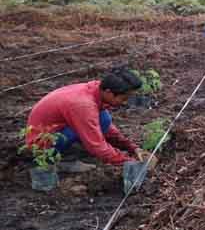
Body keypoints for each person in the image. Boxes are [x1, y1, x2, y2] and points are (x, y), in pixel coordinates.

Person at [25, 69, 157, 171]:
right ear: (109, 92)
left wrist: (133, 149)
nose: (124, 102)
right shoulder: (83, 105)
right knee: (90, 133)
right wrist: (130, 162)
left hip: (58, 128)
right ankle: (61, 161)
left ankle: (75, 148)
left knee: (104, 119)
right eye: (123, 98)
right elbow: (97, 145)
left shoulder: (96, 90)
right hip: (41, 144)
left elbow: (109, 130)